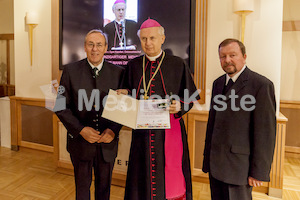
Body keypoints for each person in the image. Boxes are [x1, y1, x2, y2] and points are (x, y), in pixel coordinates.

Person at [118, 18, 200, 200]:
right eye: (144, 39)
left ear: (162, 39)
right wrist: (123, 95)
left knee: (170, 173)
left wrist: (180, 105)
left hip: (169, 130)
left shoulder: (178, 64)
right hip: (142, 133)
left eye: (152, 38)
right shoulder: (132, 66)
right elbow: (128, 96)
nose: (148, 43)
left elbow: (191, 98)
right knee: (141, 173)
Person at [202, 38, 276, 200]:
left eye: (232, 55)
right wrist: (207, 159)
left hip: (239, 168)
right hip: (216, 165)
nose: (227, 60)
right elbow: (213, 125)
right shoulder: (218, 84)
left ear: (244, 56)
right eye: (223, 56)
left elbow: (265, 133)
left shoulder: (261, 85)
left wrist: (258, 172)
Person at [55, 29, 124, 200]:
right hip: (80, 144)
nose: (95, 49)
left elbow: (123, 107)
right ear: (84, 47)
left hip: (107, 144)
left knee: (104, 190)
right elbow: (60, 106)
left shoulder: (119, 73)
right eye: (90, 44)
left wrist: (113, 130)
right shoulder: (70, 71)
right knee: (82, 190)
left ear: (106, 48)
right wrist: (81, 130)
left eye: (99, 45)